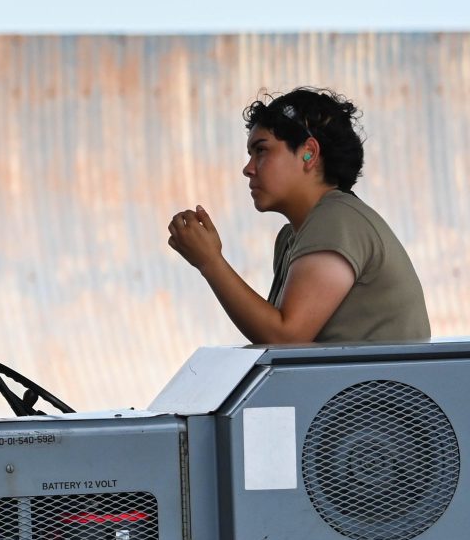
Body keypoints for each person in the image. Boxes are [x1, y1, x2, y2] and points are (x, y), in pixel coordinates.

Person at [167, 87, 430, 346]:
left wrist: (210, 262)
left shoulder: (336, 220)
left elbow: (285, 338)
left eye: (261, 150)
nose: (248, 169)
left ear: (309, 153)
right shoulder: (294, 235)